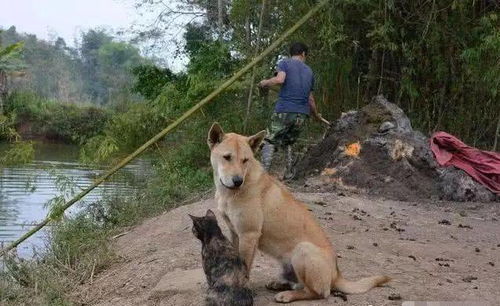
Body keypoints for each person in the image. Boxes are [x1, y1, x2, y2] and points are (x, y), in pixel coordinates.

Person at [258, 42, 327, 179]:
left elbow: (280, 79)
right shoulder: (309, 71)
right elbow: (310, 99)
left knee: (270, 140)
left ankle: (262, 175)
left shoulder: (285, 63)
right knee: (288, 142)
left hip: (285, 110)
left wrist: (264, 82)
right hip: (301, 115)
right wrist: (315, 115)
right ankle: (288, 173)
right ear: (303, 54)